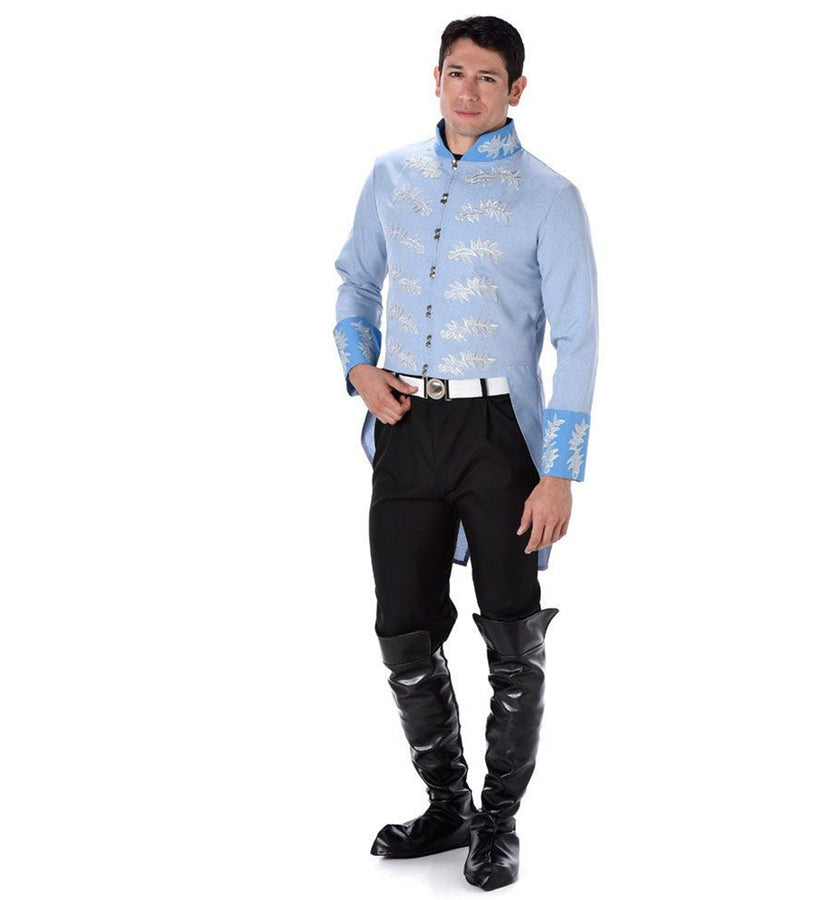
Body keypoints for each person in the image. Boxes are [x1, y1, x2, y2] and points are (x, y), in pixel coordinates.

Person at [332, 15, 599, 891]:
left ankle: (499, 820)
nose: (469, 90)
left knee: (511, 632)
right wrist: (359, 367)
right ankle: (447, 805)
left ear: (516, 90)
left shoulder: (550, 196)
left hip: (499, 438)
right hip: (406, 427)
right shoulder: (391, 175)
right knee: (402, 627)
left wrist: (559, 471)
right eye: (456, 72)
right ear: (436, 77)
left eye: (488, 77)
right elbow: (356, 281)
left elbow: (579, 338)